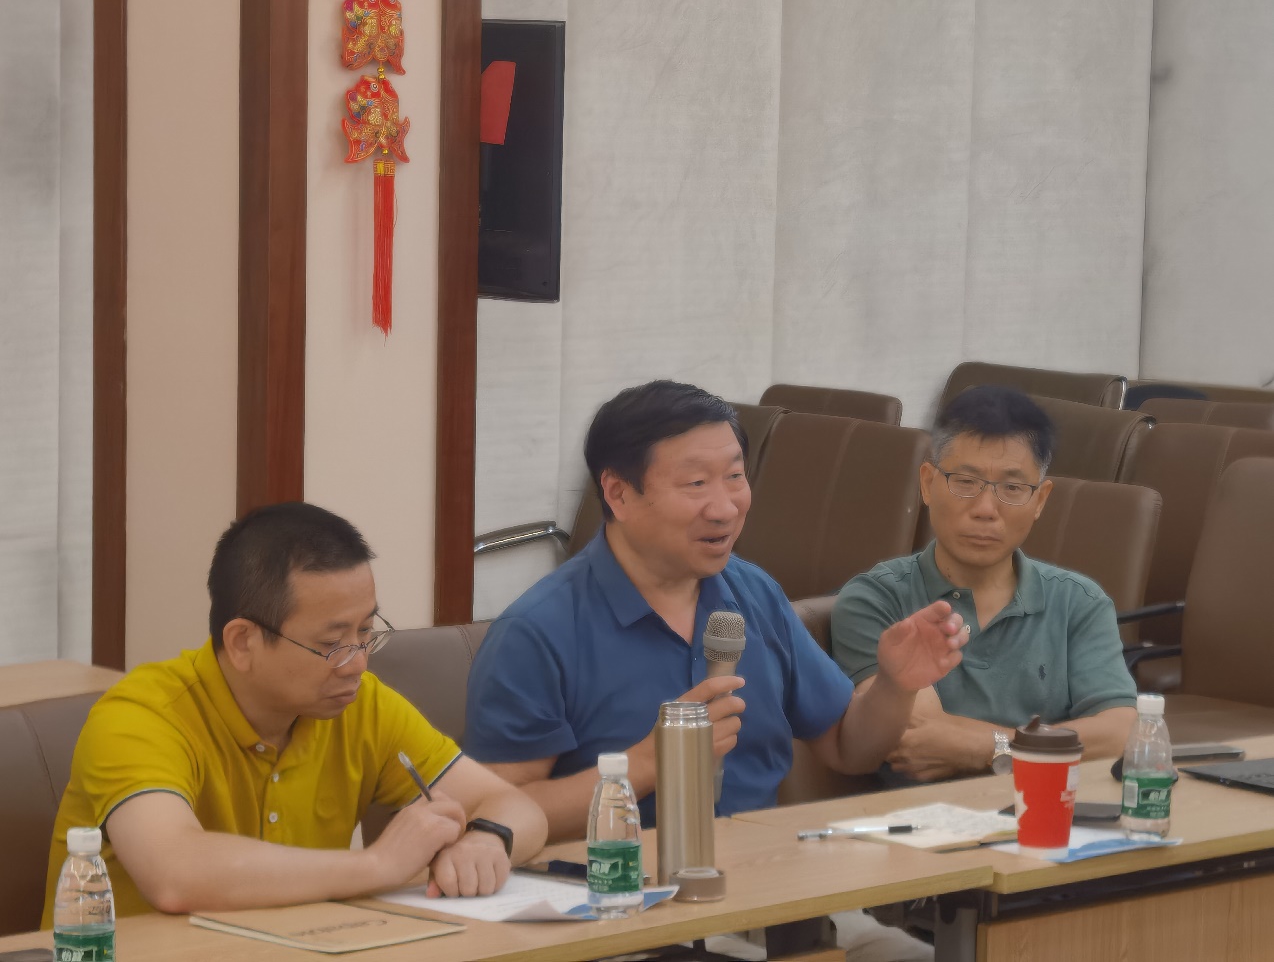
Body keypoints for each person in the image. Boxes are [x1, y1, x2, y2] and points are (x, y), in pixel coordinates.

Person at [463, 379, 969, 843]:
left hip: (767, 884)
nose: (725, 507)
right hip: (616, 897)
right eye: (696, 484)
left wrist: (894, 686)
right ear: (618, 494)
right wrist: (650, 763)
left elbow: (848, 747)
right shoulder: (538, 632)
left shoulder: (754, 593)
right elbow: (491, 815)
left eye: (734, 477)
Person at [42, 502, 547, 923]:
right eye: (331, 643)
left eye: (366, 632)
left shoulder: (360, 705)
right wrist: (378, 865)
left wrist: (488, 840)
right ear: (243, 642)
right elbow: (175, 874)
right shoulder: (141, 716)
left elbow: (515, 807)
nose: (357, 663)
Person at [830, 385, 1137, 784]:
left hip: (1049, 811)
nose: (985, 509)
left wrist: (987, 749)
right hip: (922, 817)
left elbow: (1119, 733)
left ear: (1041, 500)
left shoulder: (1080, 602)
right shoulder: (876, 599)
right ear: (927, 483)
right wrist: (1051, 746)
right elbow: (915, 731)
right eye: (965, 481)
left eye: (1012, 488)